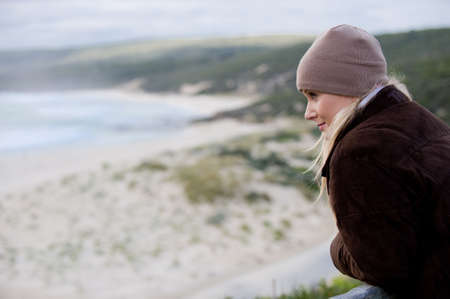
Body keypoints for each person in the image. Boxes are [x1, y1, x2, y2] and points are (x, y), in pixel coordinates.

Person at [295, 24, 450, 298]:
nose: (308, 112)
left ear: (345, 85)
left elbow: (383, 267)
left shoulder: (359, 152)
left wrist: (339, 249)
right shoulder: (417, 117)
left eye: (314, 95)